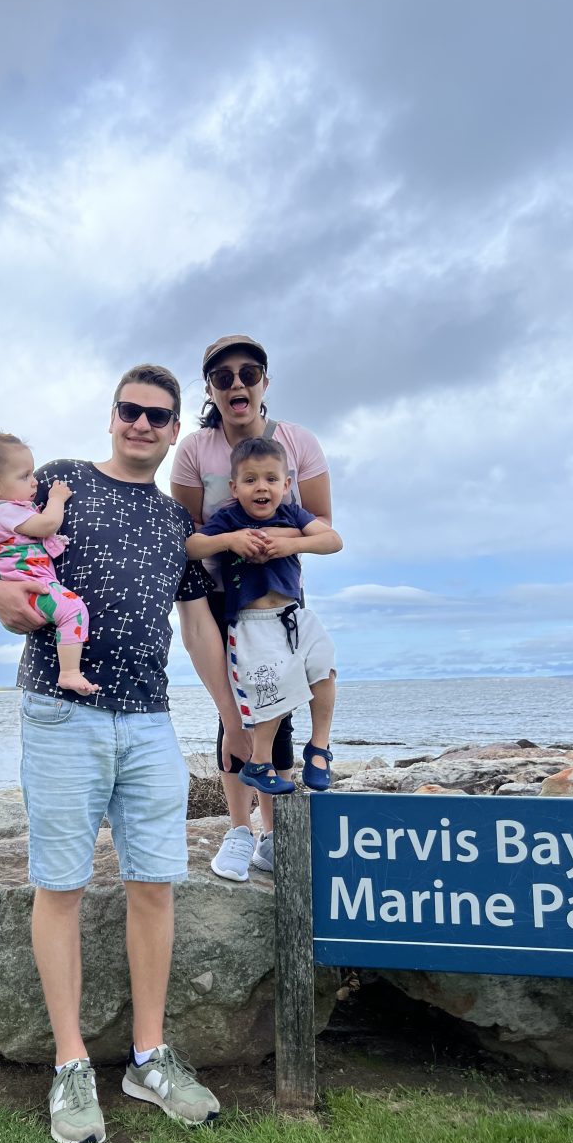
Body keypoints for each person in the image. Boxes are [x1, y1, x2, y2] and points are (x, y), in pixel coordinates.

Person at [0, 364, 251, 1143]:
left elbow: (197, 628)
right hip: (62, 713)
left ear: (172, 429)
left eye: (158, 417)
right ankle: (70, 1065)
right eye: (130, 410)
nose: (142, 425)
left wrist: (231, 715)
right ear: (113, 414)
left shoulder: (171, 519)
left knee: (155, 886)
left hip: (150, 721)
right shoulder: (55, 481)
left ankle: (149, 1057)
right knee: (59, 886)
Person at [170, 334, 336, 882]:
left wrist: (285, 543)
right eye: (222, 377)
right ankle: (239, 832)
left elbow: (322, 524)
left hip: (283, 597)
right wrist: (233, 540)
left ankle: (274, 834)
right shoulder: (196, 449)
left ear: (265, 379)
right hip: (222, 599)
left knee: (281, 707)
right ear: (211, 389)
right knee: (235, 711)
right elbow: (186, 533)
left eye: (248, 372)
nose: (237, 384)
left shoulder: (296, 440)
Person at [185, 436, 341, 798]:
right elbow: (192, 547)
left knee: (324, 666)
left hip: (293, 614)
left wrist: (293, 543)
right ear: (234, 486)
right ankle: (259, 761)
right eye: (251, 479)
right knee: (275, 691)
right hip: (253, 623)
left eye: (271, 479)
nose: (262, 487)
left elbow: (332, 540)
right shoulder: (228, 518)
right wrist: (231, 540)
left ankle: (319, 747)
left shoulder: (292, 516)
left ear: (286, 485)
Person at [0, 429, 98, 696]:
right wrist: (57, 499)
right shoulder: (4, 510)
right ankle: (69, 672)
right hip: (31, 590)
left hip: (26, 586)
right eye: (25, 476)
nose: (35, 482)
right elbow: (48, 524)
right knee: (73, 610)